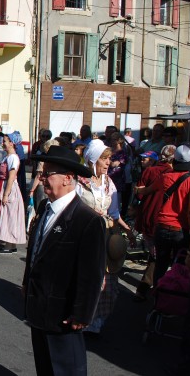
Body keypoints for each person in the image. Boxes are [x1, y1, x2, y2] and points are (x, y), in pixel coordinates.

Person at [25, 145, 106, 376]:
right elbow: (35, 249)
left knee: (67, 369)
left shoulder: (87, 220)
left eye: (47, 173)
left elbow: (92, 274)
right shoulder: (44, 207)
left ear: (68, 178)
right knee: (45, 367)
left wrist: (82, 314)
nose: (41, 178)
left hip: (64, 315)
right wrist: (26, 283)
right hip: (39, 307)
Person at [78, 139, 133, 334]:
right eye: (104, 159)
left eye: (109, 159)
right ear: (93, 160)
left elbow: (115, 212)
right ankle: (81, 315)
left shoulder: (109, 183)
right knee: (85, 277)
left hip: (105, 235)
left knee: (107, 282)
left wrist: (127, 230)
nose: (108, 162)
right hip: (83, 234)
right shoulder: (79, 181)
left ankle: (97, 319)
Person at [133, 148, 171, 301]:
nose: (143, 161)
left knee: (156, 256)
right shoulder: (183, 176)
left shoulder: (150, 172)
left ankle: (147, 289)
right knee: (159, 257)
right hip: (170, 222)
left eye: (145, 159)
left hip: (150, 218)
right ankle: (153, 291)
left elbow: (140, 193)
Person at [153, 143, 190, 287]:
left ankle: (157, 299)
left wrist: (139, 190)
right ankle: (174, 300)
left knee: (160, 266)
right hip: (180, 231)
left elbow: (149, 190)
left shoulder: (165, 177)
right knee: (179, 267)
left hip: (162, 227)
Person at [0, 132, 27, 253]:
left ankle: (10, 245)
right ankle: (9, 244)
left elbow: (12, 177)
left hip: (10, 188)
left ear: (12, 143)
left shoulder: (13, 158)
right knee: (8, 215)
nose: (3, 143)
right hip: (6, 186)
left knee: (9, 216)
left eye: (5, 141)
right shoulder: (7, 156)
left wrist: (5, 194)